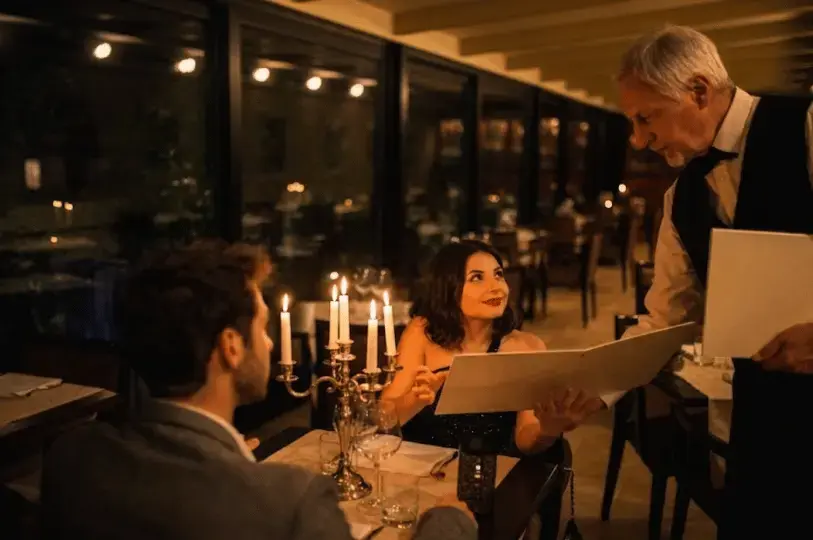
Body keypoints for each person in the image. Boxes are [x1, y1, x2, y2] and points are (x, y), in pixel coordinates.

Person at [40, 242, 477, 540]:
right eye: (263, 326)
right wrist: (451, 522)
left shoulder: (71, 455)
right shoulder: (289, 503)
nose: (270, 343)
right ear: (231, 346)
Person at [614, 25, 813, 538]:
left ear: (699, 91)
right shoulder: (679, 199)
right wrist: (587, 386)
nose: (639, 139)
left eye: (646, 117)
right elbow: (662, 320)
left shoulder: (807, 125)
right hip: (762, 419)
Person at [382, 240, 603, 457]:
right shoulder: (422, 332)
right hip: (423, 474)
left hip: (495, 477)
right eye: (477, 278)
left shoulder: (526, 347)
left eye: (498, 275)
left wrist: (549, 429)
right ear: (449, 287)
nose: (496, 287)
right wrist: (416, 400)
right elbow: (383, 416)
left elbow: (526, 440)